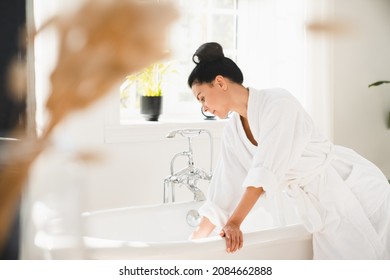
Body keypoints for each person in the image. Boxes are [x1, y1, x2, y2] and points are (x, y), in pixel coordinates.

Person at [187, 42, 390, 259]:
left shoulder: (278, 103)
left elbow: (265, 171)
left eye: (202, 98)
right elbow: (223, 194)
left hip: (352, 190)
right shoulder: (232, 132)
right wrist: (189, 246)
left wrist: (235, 223)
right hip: (317, 205)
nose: (204, 108)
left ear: (219, 82)